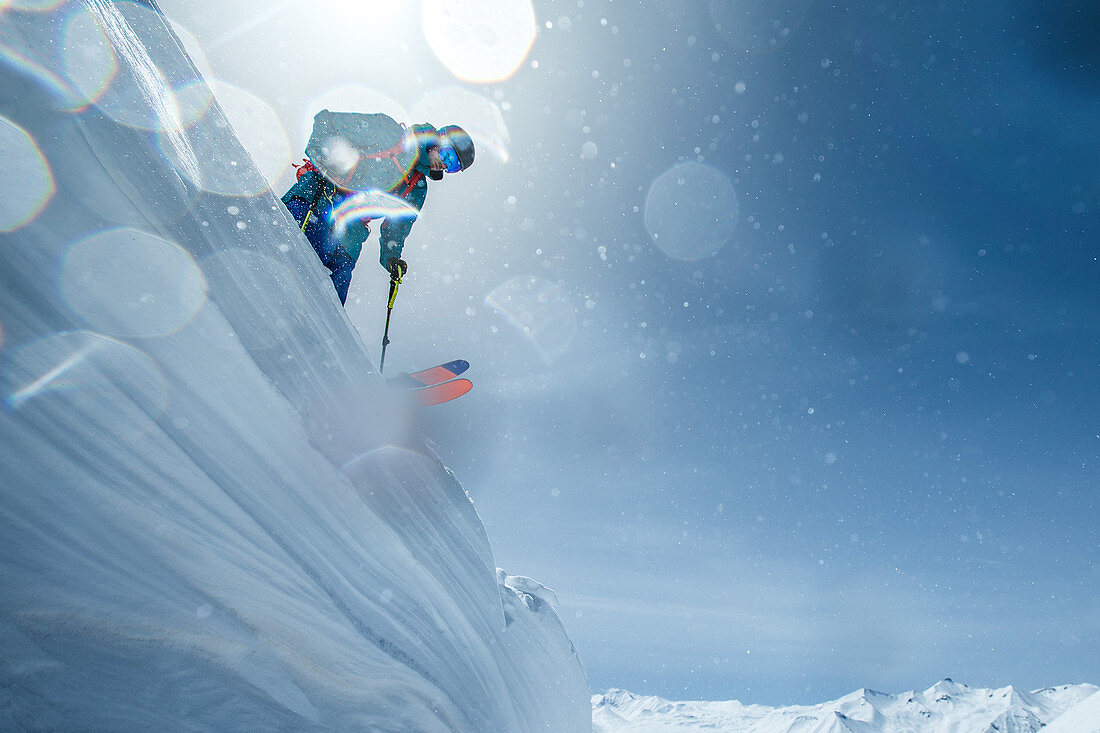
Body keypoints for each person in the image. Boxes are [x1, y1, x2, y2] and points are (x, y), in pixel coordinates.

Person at [281, 114, 475, 304]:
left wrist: (391, 257)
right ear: (439, 139)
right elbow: (327, 121)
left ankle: (311, 333)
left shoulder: (416, 188)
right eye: (448, 155)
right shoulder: (390, 133)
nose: (445, 164)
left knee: (333, 290)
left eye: (453, 167)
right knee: (286, 252)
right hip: (321, 196)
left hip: (350, 231)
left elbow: (396, 228)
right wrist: (319, 154)